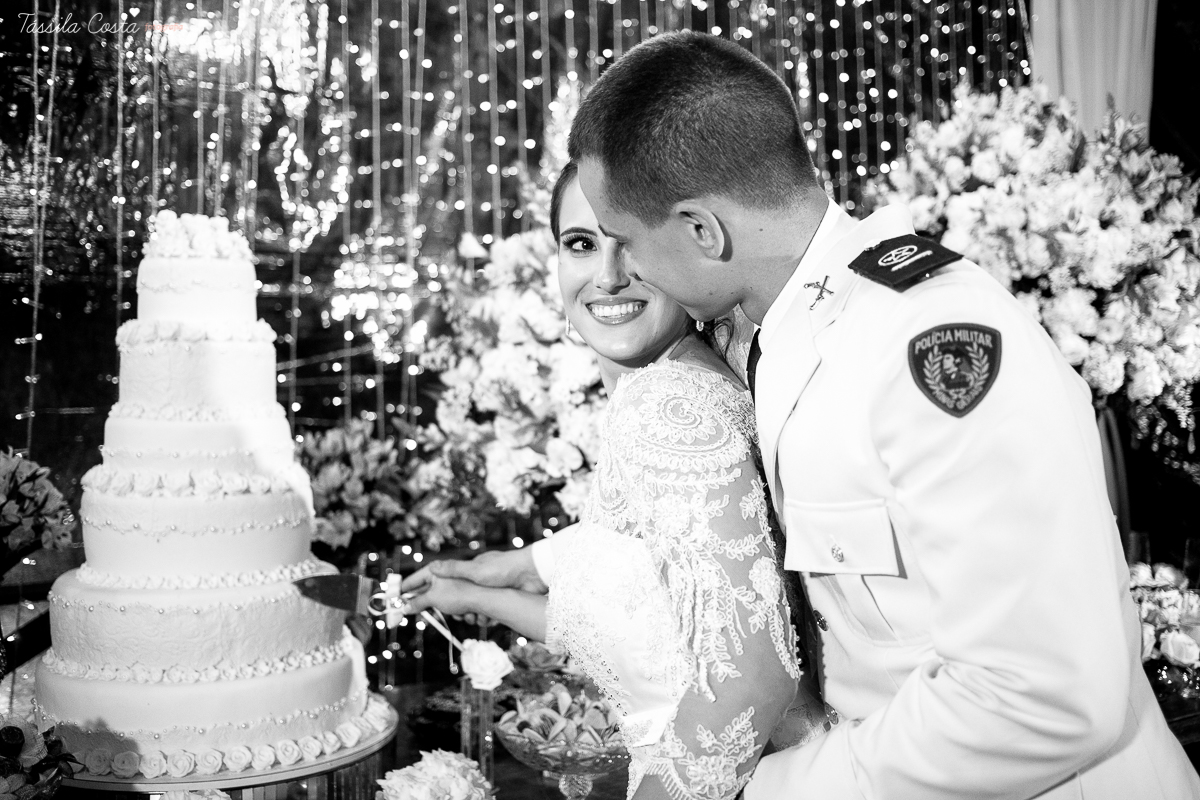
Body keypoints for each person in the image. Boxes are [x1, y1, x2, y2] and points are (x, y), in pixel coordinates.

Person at [559, 29, 1200, 800]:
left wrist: (780, 789)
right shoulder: (763, 334)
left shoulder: (928, 348)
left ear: (704, 230)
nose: (620, 269)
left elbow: (1043, 695)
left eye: (626, 240)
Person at [404, 160, 826, 799]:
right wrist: (504, 581)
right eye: (581, 244)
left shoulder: (669, 405)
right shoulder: (673, 378)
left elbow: (753, 675)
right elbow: (654, 624)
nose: (606, 275)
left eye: (628, 244)